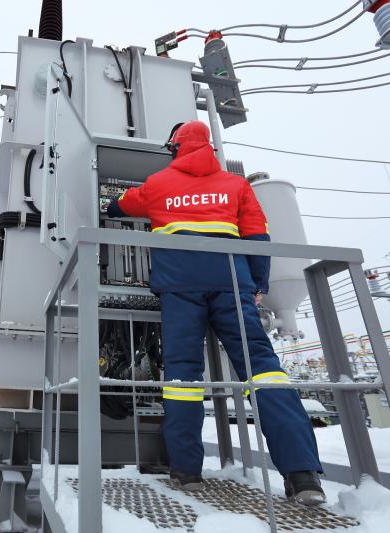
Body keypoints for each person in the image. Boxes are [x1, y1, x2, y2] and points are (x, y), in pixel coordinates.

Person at [104, 120, 325, 506]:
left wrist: (111, 202)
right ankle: (303, 475)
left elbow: (117, 206)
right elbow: (258, 237)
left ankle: (187, 471)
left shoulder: (157, 185)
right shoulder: (235, 185)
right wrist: (257, 284)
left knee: (182, 376)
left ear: (175, 148)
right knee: (265, 371)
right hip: (231, 284)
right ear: (209, 148)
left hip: (180, 289)